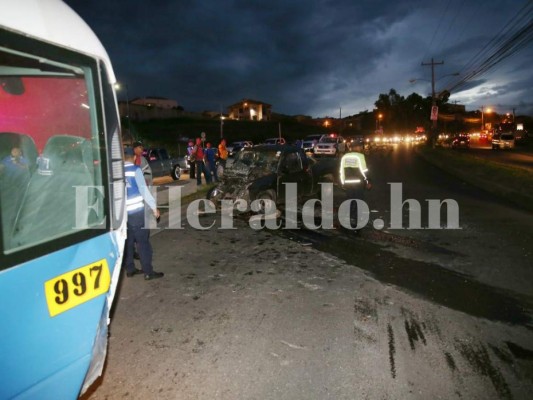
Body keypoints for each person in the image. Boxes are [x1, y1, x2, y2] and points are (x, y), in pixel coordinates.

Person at [123, 147, 164, 280]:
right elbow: (144, 191)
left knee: (128, 242)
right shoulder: (136, 170)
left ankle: (130, 269)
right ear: (134, 157)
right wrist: (154, 207)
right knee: (143, 243)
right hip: (137, 213)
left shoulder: (117, 172)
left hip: (123, 215)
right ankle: (148, 272)